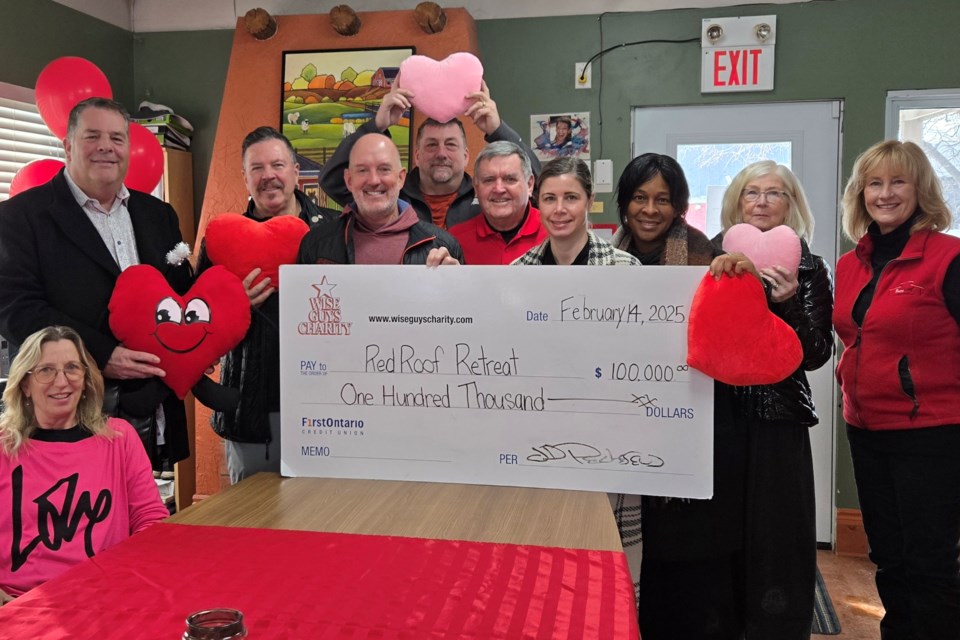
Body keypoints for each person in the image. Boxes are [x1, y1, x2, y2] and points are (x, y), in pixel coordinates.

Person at [0, 97, 193, 471]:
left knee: (144, 514)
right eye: (93, 136)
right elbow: (15, 310)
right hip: (67, 407)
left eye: (117, 138)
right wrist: (100, 355)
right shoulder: (19, 218)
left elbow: (179, 294)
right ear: (68, 145)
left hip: (150, 407)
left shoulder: (159, 215)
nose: (106, 147)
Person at [699, 160, 831, 639]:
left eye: (775, 193)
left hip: (780, 420)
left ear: (791, 205)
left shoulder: (811, 267)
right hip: (717, 417)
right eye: (751, 192)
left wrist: (789, 300)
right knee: (719, 535)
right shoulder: (704, 257)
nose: (761, 202)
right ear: (735, 202)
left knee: (778, 536)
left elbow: (816, 355)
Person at [834, 140, 960, 640]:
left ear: (920, 189)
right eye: (874, 183)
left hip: (932, 434)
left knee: (929, 563)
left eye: (898, 181)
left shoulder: (949, 258)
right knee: (886, 556)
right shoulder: (850, 265)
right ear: (860, 193)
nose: (885, 194)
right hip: (866, 429)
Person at [196, 127, 334, 483]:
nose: (268, 175)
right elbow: (196, 323)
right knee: (252, 527)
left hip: (329, 408)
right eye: (257, 168)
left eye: (277, 164)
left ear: (295, 171)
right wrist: (232, 305)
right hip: (250, 410)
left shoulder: (334, 231)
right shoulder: (222, 239)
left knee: (324, 522)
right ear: (244, 177)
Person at [0, 326, 169, 601]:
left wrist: (128, 582)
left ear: (86, 378)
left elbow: (150, 520)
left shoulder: (119, 438)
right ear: (24, 385)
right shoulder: (3, 447)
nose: (61, 381)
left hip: (106, 596)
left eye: (72, 368)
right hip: (18, 602)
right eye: (46, 371)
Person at [319, 78, 540, 229]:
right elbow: (332, 180)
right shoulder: (391, 193)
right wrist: (377, 124)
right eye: (431, 145)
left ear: (465, 156)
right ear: (416, 156)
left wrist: (497, 129)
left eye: (450, 145)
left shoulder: (484, 194)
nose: (441, 153)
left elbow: (537, 188)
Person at [298, 133, 462, 266]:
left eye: (384, 169)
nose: (374, 180)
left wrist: (455, 286)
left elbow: (460, 305)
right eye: (362, 170)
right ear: (349, 180)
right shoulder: (315, 244)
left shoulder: (442, 245)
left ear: (400, 178)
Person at [512, 157, 637, 266]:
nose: (559, 209)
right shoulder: (519, 269)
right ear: (539, 203)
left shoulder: (625, 267)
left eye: (571, 197)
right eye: (549, 198)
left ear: (590, 201)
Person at [448, 141, 548, 264]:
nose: (499, 189)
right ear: (476, 186)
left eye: (510, 179)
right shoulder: (455, 240)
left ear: (529, 184)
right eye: (489, 180)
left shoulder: (553, 232)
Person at [610, 153, 717, 266]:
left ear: (677, 208)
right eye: (640, 198)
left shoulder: (706, 255)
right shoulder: (603, 255)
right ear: (624, 204)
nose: (650, 210)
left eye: (662, 200)